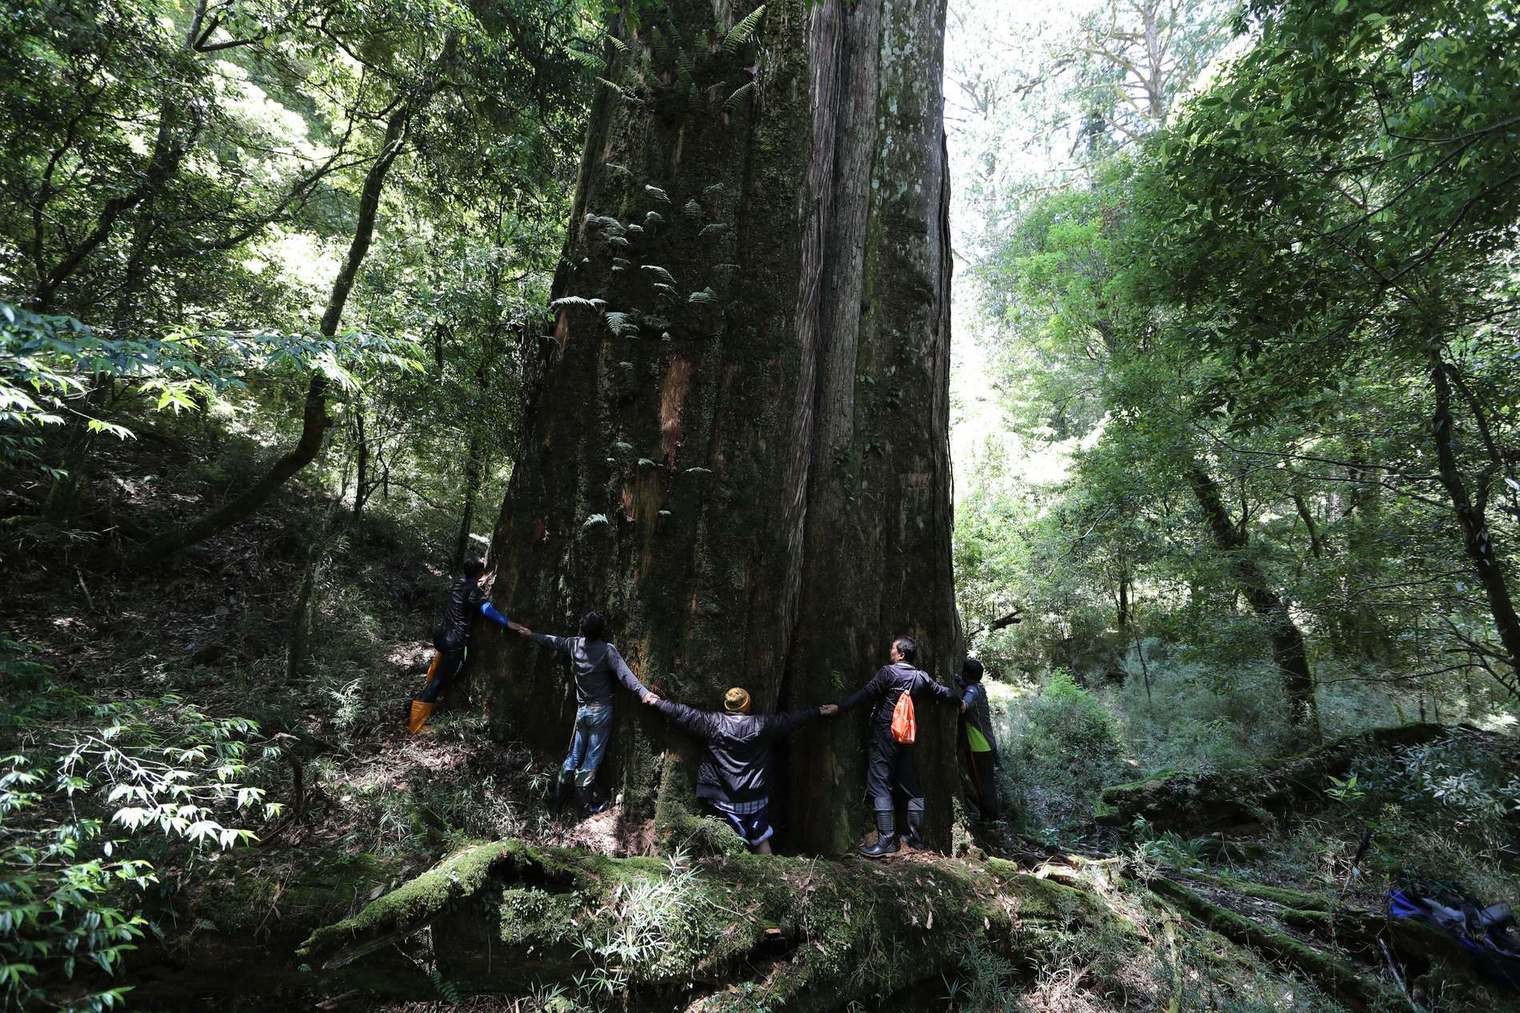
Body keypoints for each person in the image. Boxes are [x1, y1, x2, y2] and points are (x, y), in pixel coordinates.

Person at [642, 685, 838, 853]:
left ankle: (738, 879)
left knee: (733, 843)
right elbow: (791, 719)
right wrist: (819, 711)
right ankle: (770, 878)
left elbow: (683, 714)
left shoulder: (713, 723)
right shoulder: (762, 725)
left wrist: (658, 702)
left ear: (727, 706)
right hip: (756, 799)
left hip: (725, 801)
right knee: (761, 838)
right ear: (747, 705)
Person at [511, 611, 648, 815]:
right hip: (601, 712)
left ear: (582, 630)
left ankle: (558, 800)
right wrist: (644, 693)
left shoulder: (575, 644)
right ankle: (584, 806)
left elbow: (554, 641)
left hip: (582, 712)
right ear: (601, 631)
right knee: (591, 758)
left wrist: (531, 635)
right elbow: (625, 675)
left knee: (573, 757)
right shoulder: (606, 650)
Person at [834, 635, 958, 858]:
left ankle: (886, 841)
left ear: (900, 654)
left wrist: (840, 708)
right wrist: (960, 700)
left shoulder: (888, 672)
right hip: (906, 737)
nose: (890, 651)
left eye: (893, 648)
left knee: (879, 783)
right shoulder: (921, 677)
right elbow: (942, 692)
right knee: (910, 786)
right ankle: (915, 838)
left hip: (884, 735)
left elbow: (865, 694)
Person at [411, 559, 517, 732]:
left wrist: (478, 581)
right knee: (440, 680)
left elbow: (470, 588)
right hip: (455, 640)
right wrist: (508, 623)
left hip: (442, 636)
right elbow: (487, 610)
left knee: (438, 673)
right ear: (479, 574)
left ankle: (423, 699)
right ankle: (415, 723)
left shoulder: (459, 583)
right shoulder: (473, 591)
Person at [957, 658, 1001, 822]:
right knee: (987, 783)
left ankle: (988, 819)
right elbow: (970, 689)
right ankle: (991, 818)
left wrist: (950, 697)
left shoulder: (971, 691)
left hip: (979, 746)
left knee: (983, 785)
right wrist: (960, 682)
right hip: (986, 744)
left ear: (966, 674)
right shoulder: (979, 687)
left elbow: (964, 705)